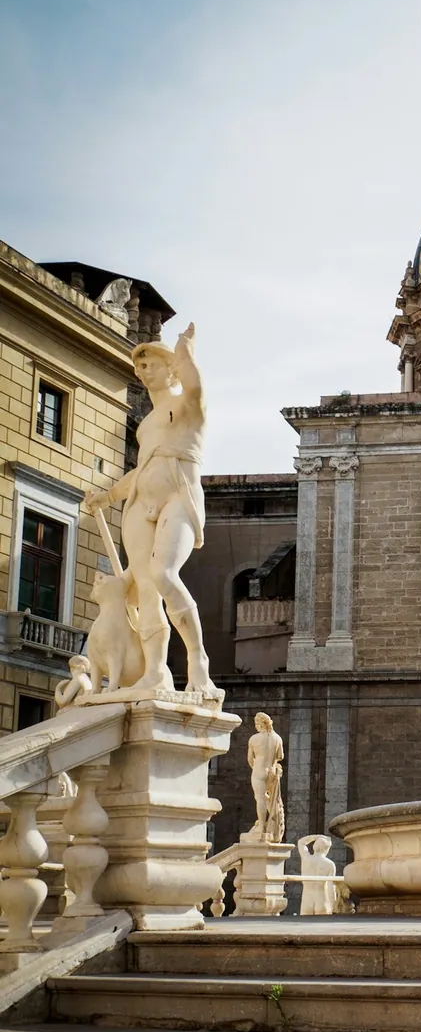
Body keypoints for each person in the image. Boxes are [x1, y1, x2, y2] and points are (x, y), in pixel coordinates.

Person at [83, 324, 214, 695]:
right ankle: (155, 672)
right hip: (140, 502)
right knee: (144, 588)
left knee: (163, 572)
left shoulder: (189, 406)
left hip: (179, 497)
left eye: (151, 363)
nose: (143, 371)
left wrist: (185, 350)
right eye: (139, 367)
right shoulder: (146, 426)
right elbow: (140, 470)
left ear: (171, 367)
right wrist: (107, 495)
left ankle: (197, 660)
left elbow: (196, 386)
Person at [246, 712, 285, 842]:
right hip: (272, 772)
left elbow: (250, 759)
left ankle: (262, 827)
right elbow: (280, 756)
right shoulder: (277, 738)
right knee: (270, 798)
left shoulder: (254, 739)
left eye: (256, 723)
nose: (256, 726)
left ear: (260, 723)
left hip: (259, 770)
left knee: (260, 799)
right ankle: (273, 822)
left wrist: (256, 768)